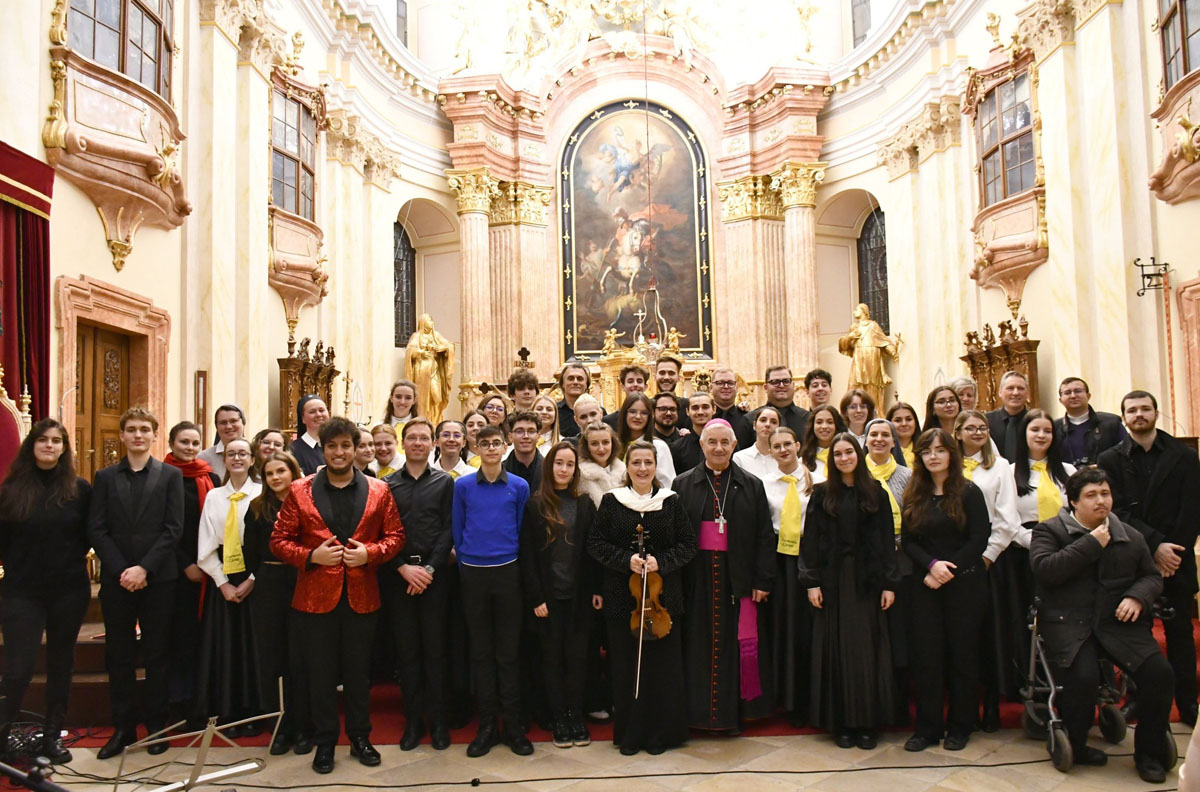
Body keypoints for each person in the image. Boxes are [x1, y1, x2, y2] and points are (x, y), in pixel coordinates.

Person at [270, 417, 404, 774]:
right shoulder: (299, 490)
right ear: (323, 450)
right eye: (332, 446)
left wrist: (369, 554)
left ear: (356, 448)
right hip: (315, 599)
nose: (340, 452)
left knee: (359, 675)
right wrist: (311, 556)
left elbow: (396, 537)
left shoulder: (379, 490)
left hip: (362, 596)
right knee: (321, 675)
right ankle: (325, 742)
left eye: (346, 445)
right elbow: (278, 540)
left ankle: (360, 738)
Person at [1030, 467, 1175, 783]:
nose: (1101, 501)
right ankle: (1077, 744)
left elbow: (1151, 576)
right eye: (1091, 495)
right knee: (1083, 677)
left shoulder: (1130, 535)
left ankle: (1149, 753)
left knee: (1159, 673)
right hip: (1069, 623)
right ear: (1073, 501)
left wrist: (1137, 596)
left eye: (1105, 494)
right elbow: (1046, 570)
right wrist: (1091, 543)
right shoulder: (1049, 531)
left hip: (1118, 624)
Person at [1099, 390, 1200, 727]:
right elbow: (1115, 511)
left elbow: (1192, 509)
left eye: (1145, 409)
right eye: (1132, 410)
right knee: (1135, 636)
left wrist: (1172, 552)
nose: (1139, 414)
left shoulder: (1184, 456)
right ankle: (1137, 700)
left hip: (1176, 559)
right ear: (1123, 417)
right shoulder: (1110, 459)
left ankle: (1188, 703)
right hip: (1132, 559)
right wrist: (1155, 547)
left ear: (1156, 413)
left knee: (1180, 634)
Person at [588, 441, 697, 755]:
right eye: (636, 462)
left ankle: (661, 734)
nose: (642, 468)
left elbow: (688, 545)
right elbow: (595, 543)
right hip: (624, 600)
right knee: (626, 669)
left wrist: (660, 561)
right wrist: (627, 561)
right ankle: (631, 734)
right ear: (627, 466)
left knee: (662, 670)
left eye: (648, 462)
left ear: (655, 466)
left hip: (663, 601)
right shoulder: (612, 501)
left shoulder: (670, 502)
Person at [88, 407, 184, 759]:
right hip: (118, 581)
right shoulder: (105, 477)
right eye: (132, 429)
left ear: (155, 435)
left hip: (159, 579)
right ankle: (124, 728)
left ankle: (156, 726)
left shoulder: (170, 475)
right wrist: (123, 571)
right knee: (119, 655)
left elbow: (173, 528)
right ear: (123, 435)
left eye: (145, 429)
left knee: (157, 654)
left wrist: (144, 568)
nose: (138, 435)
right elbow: (97, 528)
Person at [675, 419, 776, 731]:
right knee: (698, 646)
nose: (718, 448)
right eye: (712, 442)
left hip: (738, 578)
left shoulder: (751, 485)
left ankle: (733, 714)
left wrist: (762, 580)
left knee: (737, 646)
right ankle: (697, 715)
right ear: (702, 445)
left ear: (734, 445)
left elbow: (764, 536)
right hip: (697, 580)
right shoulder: (682, 484)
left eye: (724, 442)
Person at [0, 419, 92, 763]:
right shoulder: (11, 489)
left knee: (61, 664)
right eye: (43, 440)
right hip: (21, 591)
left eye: (56, 440)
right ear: (32, 445)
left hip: (68, 589)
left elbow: (87, 535)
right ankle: (2, 736)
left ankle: (52, 736)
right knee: (18, 668)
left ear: (64, 448)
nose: (50, 445)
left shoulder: (79, 490)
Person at [801, 433, 897, 749]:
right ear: (832, 460)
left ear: (859, 454)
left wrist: (889, 583)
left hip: (867, 582)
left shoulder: (876, 493)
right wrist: (811, 582)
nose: (844, 458)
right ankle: (841, 723)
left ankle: (867, 723)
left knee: (866, 650)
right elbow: (810, 541)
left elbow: (887, 541)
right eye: (838, 454)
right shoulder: (821, 494)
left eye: (849, 452)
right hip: (832, 581)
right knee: (836, 649)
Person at [901, 429, 990, 752]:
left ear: (952, 453)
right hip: (925, 585)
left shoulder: (969, 491)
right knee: (927, 657)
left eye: (940, 450)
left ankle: (961, 726)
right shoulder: (915, 493)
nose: (933, 456)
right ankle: (928, 728)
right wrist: (931, 566)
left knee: (962, 656)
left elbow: (979, 538)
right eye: (927, 451)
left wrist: (946, 570)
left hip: (964, 584)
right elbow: (908, 540)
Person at [452, 424, 534, 757]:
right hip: (473, 574)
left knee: (508, 652)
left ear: (504, 446)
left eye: (496, 443)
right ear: (475, 447)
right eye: (483, 443)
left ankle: (513, 725)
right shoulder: (462, 486)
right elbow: (457, 529)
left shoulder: (519, 486)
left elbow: (522, 529)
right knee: (482, 652)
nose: (490, 448)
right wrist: (466, 565)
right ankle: (487, 726)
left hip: (507, 573)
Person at [520, 442, 602, 748]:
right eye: (559, 463)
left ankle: (575, 716)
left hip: (579, 596)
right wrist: (536, 597)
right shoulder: (535, 505)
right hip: (548, 598)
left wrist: (596, 590)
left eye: (569, 464)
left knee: (578, 659)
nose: (564, 469)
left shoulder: (584, 504)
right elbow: (527, 555)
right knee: (552, 660)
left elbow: (593, 551)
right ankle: (559, 718)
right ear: (549, 467)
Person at [382, 418, 455, 752]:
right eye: (411, 437)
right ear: (403, 442)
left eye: (424, 438)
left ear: (433, 443)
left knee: (436, 652)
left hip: (434, 578)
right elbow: (382, 531)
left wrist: (428, 569)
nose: (417, 443)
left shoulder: (444, 482)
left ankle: (438, 722)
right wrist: (402, 568)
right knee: (407, 652)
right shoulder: (386, 485)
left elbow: (448, 529)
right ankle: (412, 722)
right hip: (399, 577)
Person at [952, 410, 1023, 722]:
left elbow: (1008, 518)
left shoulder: (1000, 467)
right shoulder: (948, 464)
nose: (978, 432)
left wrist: (987, 556)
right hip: (953, 556)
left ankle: (992, 700)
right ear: (957, 433)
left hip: (989, 558)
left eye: (982, 428)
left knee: (989, 632)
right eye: (971, 428)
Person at [243, 451, 310, 756]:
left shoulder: (308, 504)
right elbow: (250, 552)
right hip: (269, 584)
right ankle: (280, 728)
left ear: (292, 472)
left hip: (302, 580)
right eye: (269, 473)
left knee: (301, 658)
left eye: (280, 471)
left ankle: (304, 727)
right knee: (272, 659)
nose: (275, 478)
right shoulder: (257, 508)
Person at [194, 438, 263, 729]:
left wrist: (252, 579)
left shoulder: (262, 493)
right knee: (225, 646)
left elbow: (269, 542)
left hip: (255, 575)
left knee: (253, 647)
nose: (236, 458)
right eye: (231, 454)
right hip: (222, 576)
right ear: (224, 460)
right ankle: (227, 712)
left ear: (252, 459)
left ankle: (254, 713)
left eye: (242, 454)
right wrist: (222, 583)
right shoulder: (214, 497)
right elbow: (206, 544)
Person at [163, 421, 220, 724]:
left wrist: (208, 562)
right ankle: (179, 702)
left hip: (207, 568)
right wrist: (185, 563)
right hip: (174, 570)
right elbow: (162, 526)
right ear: (171, 443)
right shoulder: (163, 475)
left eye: (195, 442)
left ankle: (202, 702)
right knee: (179, 638)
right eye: (183, 442)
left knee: (202, 638)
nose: (189, 447)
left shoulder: (210, 476)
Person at [863, 418, 913, 723]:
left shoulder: (908, 477)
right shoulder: (856, 474)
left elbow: (916, 519)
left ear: (894, 442)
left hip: (902, 563)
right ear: (865, 441)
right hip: (867, 567)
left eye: (886, 435)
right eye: (874, 434)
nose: (879, 439)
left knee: (899, 637)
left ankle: (898, 703)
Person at [762, 427, 814, 726]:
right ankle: (783, 697)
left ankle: (806, 698)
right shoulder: (764, 484)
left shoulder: (816, 480)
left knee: (805, 628)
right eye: (776, 446)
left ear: (797, 445)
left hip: (807, 557)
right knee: (782, 626)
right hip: (778, 558)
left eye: (787, 444)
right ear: (770, 451)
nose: (783, 450)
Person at [1055, 377, 1127, 467]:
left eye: (1078, 391)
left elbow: (1126, 453)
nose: (1073, 396)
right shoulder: (1054, 428)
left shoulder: (1112, 423)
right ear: (1060, 400)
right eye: (1067, 392)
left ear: (1088, 396)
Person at [615, 393, 677, 487]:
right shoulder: (615, 445)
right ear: (624, 414)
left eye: (644, 413)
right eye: (632, 411)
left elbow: (668, 485)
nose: (638, 416)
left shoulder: (659, 446)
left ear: (650, 416)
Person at [404, 315, 455, 425]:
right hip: (422, 370)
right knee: (422, 398)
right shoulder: (417, 336)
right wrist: (421, 353)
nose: (432, 322)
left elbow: (450, 345)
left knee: (437, 397)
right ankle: (423, 421)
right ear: (423, 322)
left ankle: (436, 422)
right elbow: (409, 351)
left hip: (434, 370)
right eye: (429, 320)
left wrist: (442, 348)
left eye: (432, 320)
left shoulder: (436, 335)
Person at [749, 366, 810, 438]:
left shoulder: (808, 419)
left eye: (786, 381)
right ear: (766, 388)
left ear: (793, 385)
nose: (781, 385)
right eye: (775, 382)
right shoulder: (750, 419)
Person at [577, 422, 625, 507]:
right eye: (594, 444)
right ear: (587, 446)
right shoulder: (580, 476)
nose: (601, 449)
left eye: (605, 442)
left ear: (612, 443)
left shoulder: (625, 472)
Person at [987, 371, 1030, 463]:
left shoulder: (1035, 420)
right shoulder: (986, 421)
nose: (1015, 393)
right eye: (1010, 388)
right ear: (1000, 392)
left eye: (1020, 388)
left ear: (1027, 393)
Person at [198, 404, 246, 481]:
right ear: (216, 427)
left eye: (233, 421)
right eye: (223, 422)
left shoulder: (256, 453)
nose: (228, 426)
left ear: (243, 423)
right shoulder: (204, 458)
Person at [710, 366, 754, 448]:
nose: (726, 386)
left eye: (730, 383)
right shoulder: (704, 417)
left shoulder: (747, 419)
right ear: (711, 388)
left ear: (737, 387)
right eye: (720, 383)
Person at [733, 405, 781, 479]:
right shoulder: (740, 458)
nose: (767, 424)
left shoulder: (785, 457)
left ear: (779, 428)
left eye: (773, 422)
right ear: (754, 425)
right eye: (763, 420)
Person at [672, 391, 714, 472]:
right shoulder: (676, 448)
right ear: (687, 412)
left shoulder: (725, 445)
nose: (700, 412)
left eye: (705, 407)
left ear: (714, 409)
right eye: (695, 408)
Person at [504, 410, 545, 493]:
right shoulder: (500, 471)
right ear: (510, 437)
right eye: (519, 431)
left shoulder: (551, 469)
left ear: (538, 436)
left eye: (531, 431)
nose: (526, 436)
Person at [800, 405, 846, 478]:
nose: (824, 426)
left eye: (830, 422)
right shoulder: (803, 461)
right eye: (819, 422)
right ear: (812, 426)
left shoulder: (847, 457)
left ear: (837, 425)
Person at [602, 365, 652, 430]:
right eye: (630, 381)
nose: (635, 384)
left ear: (645, 387)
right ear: (622, 387)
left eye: (639, 381)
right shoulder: (609, 421)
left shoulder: (653, 416)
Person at [291, 395, 330, 475]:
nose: (318, 414)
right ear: (303, 419)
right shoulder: (292, 450)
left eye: (321, 410)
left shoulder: (337, 445)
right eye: (312, 412)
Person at [557, 363, 595, 438]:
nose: (575, 382)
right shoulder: (554, 412)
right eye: (570, 379)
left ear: (586, 385)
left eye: (580, 379)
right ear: (562, 384)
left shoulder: (597, 411)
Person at [654, 355, 691, 432]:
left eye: (671, 373)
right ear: (655, 377)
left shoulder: (688, 405)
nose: (666, 377)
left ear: (679, 378)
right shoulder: (647, 405)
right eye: (662, 373)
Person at [886, 402, 919, 467]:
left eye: (909, 419)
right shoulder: (884, 452)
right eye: (898, 420)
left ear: (915, 423)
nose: (904, 424)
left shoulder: (925, 449)